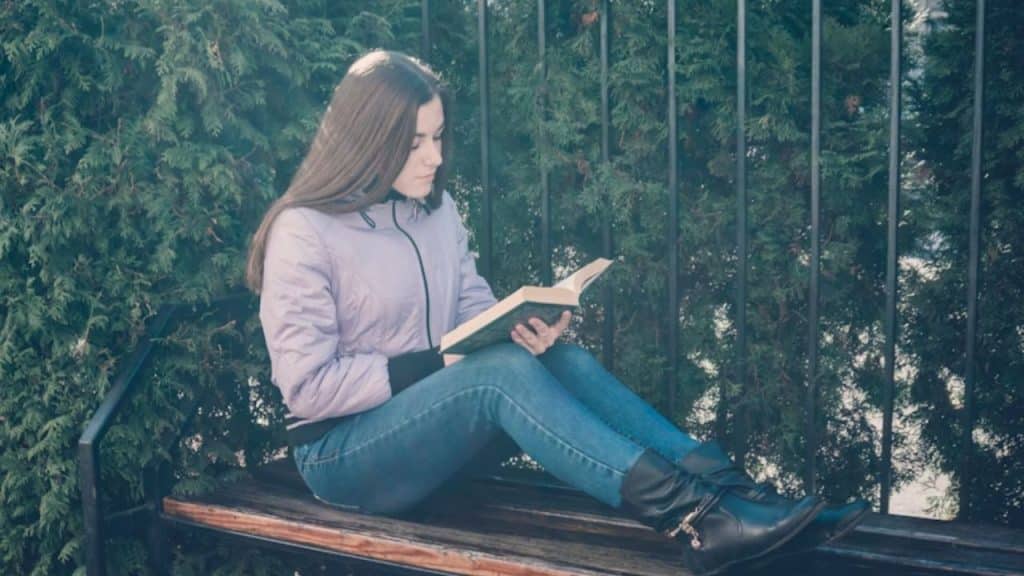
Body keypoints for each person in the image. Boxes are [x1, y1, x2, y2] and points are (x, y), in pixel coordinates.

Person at [246, 50, 866, 576]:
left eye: (438, 137)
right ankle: (695, 521)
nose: (433, 157)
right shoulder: (305, 231)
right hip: (345, 457)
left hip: (437, 439)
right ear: (368, 142)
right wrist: (444, 362)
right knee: (496, 375)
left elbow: (469, 306)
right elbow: (307, 389)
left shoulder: (436, 210)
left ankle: (735, 495)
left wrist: (516, 326)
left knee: (556, 359)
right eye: (413, 144)